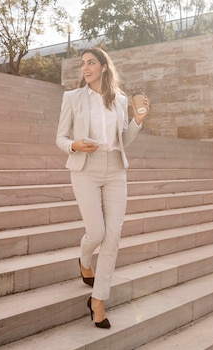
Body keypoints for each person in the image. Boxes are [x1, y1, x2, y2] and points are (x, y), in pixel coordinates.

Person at [55, 47, 150, 329]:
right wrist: (74, 145)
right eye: (82, 63)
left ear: (103, 67)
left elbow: (123, 140)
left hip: (115, 169)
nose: (85, 68)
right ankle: (84, 258)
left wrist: (138, 120)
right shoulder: (72, 98)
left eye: (91, 63)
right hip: (85, 168)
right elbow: (60, 137)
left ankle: (98, 300)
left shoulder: (120, 100)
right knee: (96, 232)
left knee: (114, 235)